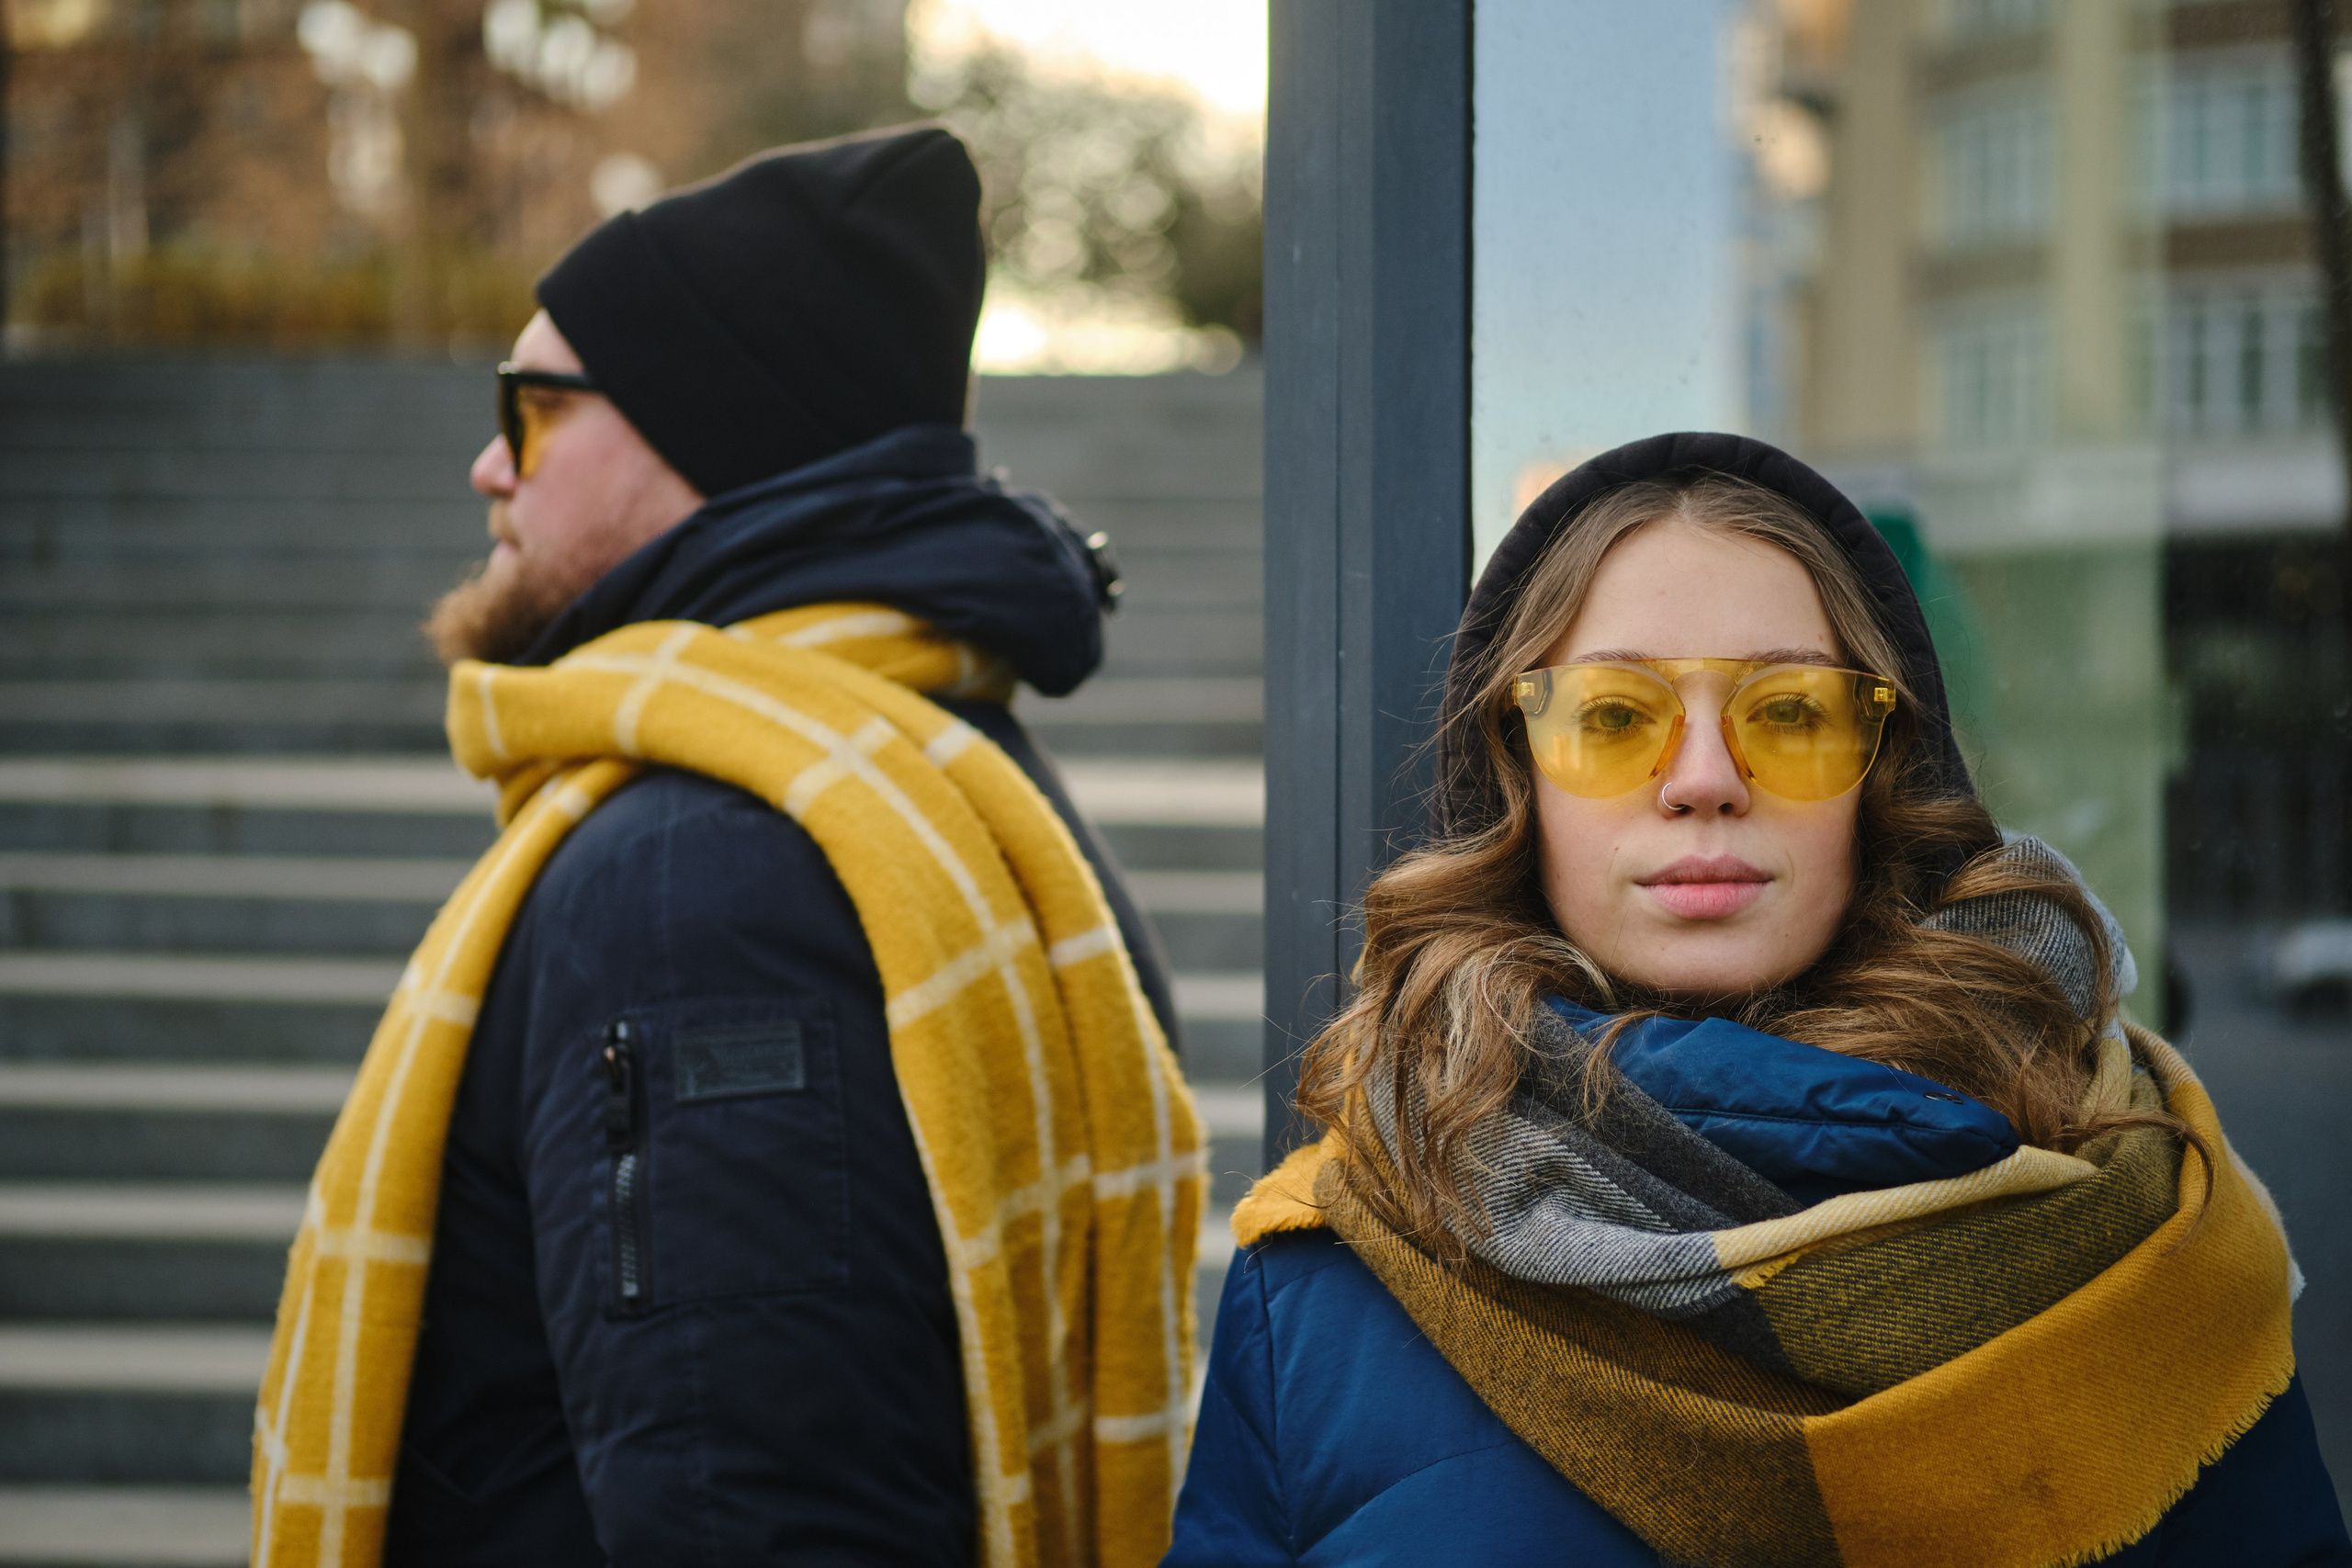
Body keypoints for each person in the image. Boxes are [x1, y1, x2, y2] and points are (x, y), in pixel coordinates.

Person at [248, 126, 1204, 1568]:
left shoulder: (705, 881)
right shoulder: (935, 775)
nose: (484, 467)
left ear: (705, 428)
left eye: (530, 408)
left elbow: (768, 1510)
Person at [1167, 434, 2349, 1568]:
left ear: (1885, 770)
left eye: (1788, 713)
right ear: (1514, 773)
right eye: (1615, 717)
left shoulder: (2139, 1209)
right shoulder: (1330, 1272)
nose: (1702, 781)